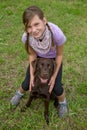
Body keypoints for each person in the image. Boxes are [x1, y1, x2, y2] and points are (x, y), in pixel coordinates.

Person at [10, 5, 67, 117]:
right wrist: (31, 75)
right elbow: (32, 55)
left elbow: (59, 55)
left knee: (56, 87)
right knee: (28, 83)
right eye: (29, 26)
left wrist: (54, 76)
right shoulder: (27, 37)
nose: (34, 30)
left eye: (36, 24)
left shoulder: (56, 33)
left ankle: (63, 102)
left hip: (53, 61)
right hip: (39, 61)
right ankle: (19, 93)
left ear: (44, 20)